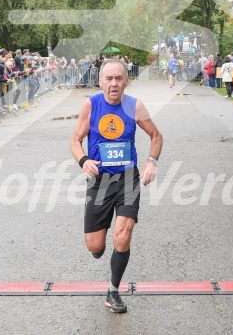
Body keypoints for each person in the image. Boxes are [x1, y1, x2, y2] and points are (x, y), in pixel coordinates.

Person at [70, 59, 163, 313]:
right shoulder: (91, 105)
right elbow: (76, 140)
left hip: (127, 178)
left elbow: (156, 135)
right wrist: (84, 160)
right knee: (95, 245)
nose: (114, 84)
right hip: (100, 179)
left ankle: (113, 291)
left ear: (126, 81)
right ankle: (100, 250)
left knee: (123, 234)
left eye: (118, 78)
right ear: (100, 81)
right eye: (109, 79)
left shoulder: (135, 106)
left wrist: (151, 162)